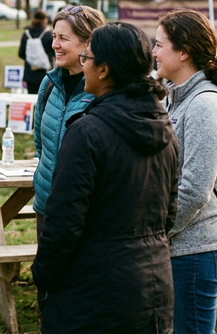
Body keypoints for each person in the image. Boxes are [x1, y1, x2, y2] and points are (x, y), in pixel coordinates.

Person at [33, 23, 178, 333]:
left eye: (87, 57)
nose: (83, 64)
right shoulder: (164, 128)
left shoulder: (86, 133)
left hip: (93, 292)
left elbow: (63, 223)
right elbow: (168, 214)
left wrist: (43, 278)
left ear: (103, 69)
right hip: (152, 284)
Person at [153, 9, 217, 333]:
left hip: (197, 249)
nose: (154, 52)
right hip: (180, 247)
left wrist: (156, 233)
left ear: (184, 52)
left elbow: (194, 190)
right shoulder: (176, 99)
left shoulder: (205, 106)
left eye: (160, 44)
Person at [32, 4, 105, 236]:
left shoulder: (102, 90)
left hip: (86, 214)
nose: (54, 45)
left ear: (88, 44)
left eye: (63, 38)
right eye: (54, 36)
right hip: (46, 207)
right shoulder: (49, 83)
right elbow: (40, 144)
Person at [18, 10, 54, 94]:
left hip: (30, 72)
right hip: (45, 72)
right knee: (45, 96)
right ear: (45, 20)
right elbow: (53, 53)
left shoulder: (26, 34)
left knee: (31, 96)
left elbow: (21, 53)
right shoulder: (48, 34)